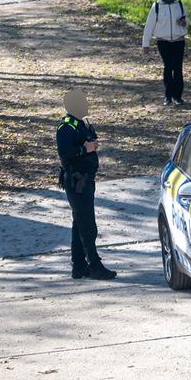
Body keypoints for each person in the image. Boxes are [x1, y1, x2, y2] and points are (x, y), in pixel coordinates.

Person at [56, 90, 116, 280]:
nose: (87, 106)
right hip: (76, 181)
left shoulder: (81, 123)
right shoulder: (66, 127)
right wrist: (85, 149)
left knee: (79, 223)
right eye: (83, 103)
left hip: (86, 179)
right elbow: (65, 152)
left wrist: (91, 145)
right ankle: (94, 265)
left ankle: (79, 265)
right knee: (88, 226)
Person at [141, 0, 188, 106]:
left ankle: (177, 97)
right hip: (163, 42)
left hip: (179, 41)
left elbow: (187, 22)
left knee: (178, 68)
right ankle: (168, 96)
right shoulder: (156, 7)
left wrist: (184, 23)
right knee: (168, 66)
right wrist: (146, 44)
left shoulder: (180, 4)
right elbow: (149, 26)